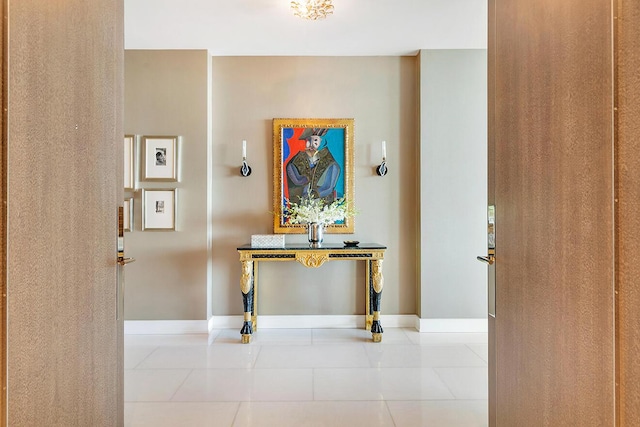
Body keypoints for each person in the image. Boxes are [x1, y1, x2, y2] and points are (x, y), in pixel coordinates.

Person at [286, 128, 341, 204]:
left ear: (321, 141)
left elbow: (328, 187)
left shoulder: (330, 162)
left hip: (322, 204)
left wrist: (314, 195)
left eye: (315, 141)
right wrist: (302, 180)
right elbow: (294, 179)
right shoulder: (297, 160)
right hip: (301, 202)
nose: (312, 145)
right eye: (308, 141)